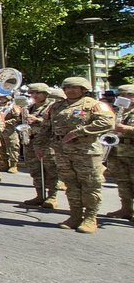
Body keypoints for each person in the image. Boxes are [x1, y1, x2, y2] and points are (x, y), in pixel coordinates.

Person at [49, 76, 116, 233]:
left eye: (75, 87)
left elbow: (107, 123)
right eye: (67, 88)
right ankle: (75, 215)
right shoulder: (57, 106)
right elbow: (47, 126)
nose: (70, 90)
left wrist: (79, 132)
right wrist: (39, 145)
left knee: (90, 185)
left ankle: (90, 218)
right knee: (71, 184)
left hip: (86, 151)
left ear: (83, 89)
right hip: (63, 151)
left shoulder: (95, 105)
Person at [20, 83, 62, 208]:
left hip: (47, 143)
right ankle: (40, 195)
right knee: (35, 170)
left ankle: (52, 196)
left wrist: (37, 120)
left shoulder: (53, 107)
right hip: (31, 141)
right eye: (32, 93)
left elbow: (58, 123)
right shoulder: (29, 107)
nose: (34, 95)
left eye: (38, 93)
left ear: (45, 94)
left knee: (51, 170)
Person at [104, 84, 134, 223]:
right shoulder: (118, 111)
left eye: (128, 95)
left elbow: (125, 129)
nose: (124, 98)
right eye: (121, 95)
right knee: (123, 182)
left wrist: (126, 128)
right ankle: (126, 208)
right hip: (118, 151)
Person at [0, 95, 22, 173]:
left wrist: (5, 122)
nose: (0, 98)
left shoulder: (12, 107)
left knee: (13, 146)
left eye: (2, 97)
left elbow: (17, 119)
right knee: (0, 147)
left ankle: (13, 165)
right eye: (0, 97)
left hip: (10, 130)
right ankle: (4, 164)